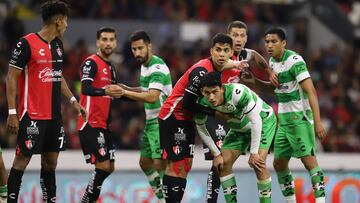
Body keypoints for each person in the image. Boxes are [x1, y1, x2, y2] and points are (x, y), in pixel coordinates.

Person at [5, 1, 87, 202]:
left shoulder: (58, 45)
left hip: (54, 116)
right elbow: (11, 77)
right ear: (58, 22)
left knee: (50, 163)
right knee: (21, 161)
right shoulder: (25, 43)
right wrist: (12, 112)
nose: (67, 25)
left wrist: (73, 100)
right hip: (32, 114)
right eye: (66, 21)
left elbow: (57, 76)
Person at [158, 33, 248, 202]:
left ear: (231, 53)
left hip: (186, 118)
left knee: (185, 165)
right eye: (218, 50)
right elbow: (187, 103)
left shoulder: (220, 65)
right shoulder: (201, 71)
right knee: (177, 165)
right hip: (174, 114)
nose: (221, 54)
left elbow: (228, 63)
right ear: (211, 51)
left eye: (225, 51)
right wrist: (215, 113)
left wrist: (238, 64)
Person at [205, 20, 278, 203]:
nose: (238, 39)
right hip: (218, 114)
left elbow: (255, 56)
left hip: (239, 113)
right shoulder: (220, 59)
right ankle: (210, 200)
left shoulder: (245, 55)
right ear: (227, 37)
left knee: (255, 163)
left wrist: (269, 71)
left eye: (242, 36)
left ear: (246, 38)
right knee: (218, 162)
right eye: (234, 35)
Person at [264, 27, 326, 203]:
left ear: (283, 43)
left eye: (274, 41)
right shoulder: (272, 62)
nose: (269, 45)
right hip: (283, 122)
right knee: (279, 164)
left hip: (300, 119)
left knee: (309, 162)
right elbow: (274, 88)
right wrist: (253, 81)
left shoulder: (295, 61)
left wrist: (318, 121)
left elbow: (311, 91)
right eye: (267, 41)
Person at [195, 71, 277, 203]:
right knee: (223, 164)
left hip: (263, 121)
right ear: (202, 91)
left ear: (222, 89)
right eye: (207, 93)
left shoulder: (237, 93)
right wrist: (216, 154)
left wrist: (254, 153)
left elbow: (256, 121)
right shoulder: (202, 102)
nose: (211, 97)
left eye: (214, 92)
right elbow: (201, 127)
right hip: (239, 128)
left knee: (258, 164)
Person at [118, 30, 172, 202]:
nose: (137, 53)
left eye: (140, 48)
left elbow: (152, 96)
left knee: (159, 164)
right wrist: (124, 89)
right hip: (150, 121)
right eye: (134, 49)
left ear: (150, 46)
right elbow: (145, 90)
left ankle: (168, 200)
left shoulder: (157, 67)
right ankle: (163, 199)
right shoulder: (145, 66)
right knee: (145, 163)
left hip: (161, 121)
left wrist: (124, 92)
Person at [78, 27, 123, 203]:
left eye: (111, 39)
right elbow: (85, 88)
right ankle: (86, 200)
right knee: (103, 165)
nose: (108, 43)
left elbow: (112, 94)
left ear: (115, 43)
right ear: (97, 42)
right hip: (90, 122)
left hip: (103, 125)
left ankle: (89, 196)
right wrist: (105, 90)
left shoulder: (111, 68)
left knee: (109, 167)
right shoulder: (91, 63)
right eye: (104, 39)